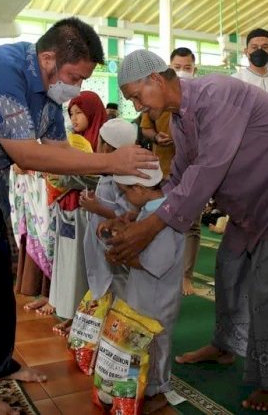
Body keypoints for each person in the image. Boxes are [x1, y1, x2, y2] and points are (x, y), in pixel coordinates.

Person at [0, 17, 156, 415]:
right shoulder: (1, 71)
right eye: (74, 76)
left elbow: (58, 152)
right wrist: (108, 164)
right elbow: (26, 154)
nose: (77, 87)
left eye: (84, 79)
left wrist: (113, 169)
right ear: (48, 58)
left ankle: (1, 362)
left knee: (0, 274)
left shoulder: (49, 93)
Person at [105, 49, 268, 411]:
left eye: (137, 97)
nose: (139, 107)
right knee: (229, 266)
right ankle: (224, 347)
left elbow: (208, 170)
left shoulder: (217, 94)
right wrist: (140, 214)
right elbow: (180, 179)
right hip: (250, 204)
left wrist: (151, 227)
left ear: (156, 79)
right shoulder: (179, 121)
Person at [104, 166, 186, 414]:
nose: (124, 198)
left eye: (125, 192)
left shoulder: (165, 217)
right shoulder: (150, 212)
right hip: (144, 291)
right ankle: (141, 385)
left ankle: (158, 390)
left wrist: (122, 258)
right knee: (141, 340)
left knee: (157, 343)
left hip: (159, 295)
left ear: (139, 189)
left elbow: (158, 263)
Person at [140, 47, 202, 296]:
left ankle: (186, 275)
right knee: (162, 219)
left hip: (193, 171)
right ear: (168, 69)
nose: (183, 71)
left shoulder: (199, 98)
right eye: (178, 67)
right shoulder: (156, 97)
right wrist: (157, 136)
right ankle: (160, 271)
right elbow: (145, 129)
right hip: (161, 169)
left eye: (187, 67)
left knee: (192, 226)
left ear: (194, 69)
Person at [48, 91, 106, 335]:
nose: (75, 118)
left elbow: (101, 178)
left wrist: (72, 175)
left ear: (92, 113)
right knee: (67, 263)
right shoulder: (72, 141)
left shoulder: (102, 141)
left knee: (82, 267)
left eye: (79, 112)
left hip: (86, 212)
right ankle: (71, 314)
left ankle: (85, 319)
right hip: (66, 208)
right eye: (71, 113)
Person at [80, 117, 138, 301]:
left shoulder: (122, 179)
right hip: (100, 244)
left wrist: (96, 207)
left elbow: (126, 215)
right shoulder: (109, 174)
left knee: (116, 289)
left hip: (112, 246)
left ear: (106, 147)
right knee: (102, 287)